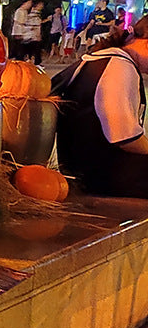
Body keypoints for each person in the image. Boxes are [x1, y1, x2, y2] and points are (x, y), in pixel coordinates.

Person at [53, 18, 148, 197]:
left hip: (81, 168)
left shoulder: (103, 59)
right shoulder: (119, 67)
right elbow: (125, 138)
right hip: (103, 175)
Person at [21, 0, 48, 65]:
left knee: (32, 50)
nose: (41, 6)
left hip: (29, 35)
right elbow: (35, 25)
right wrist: (37, 34)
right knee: (35, 50)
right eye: (40, 5)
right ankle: (36, 62)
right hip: (32, 36)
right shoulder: (34, 14)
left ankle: (30, 61)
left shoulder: (30, 14)